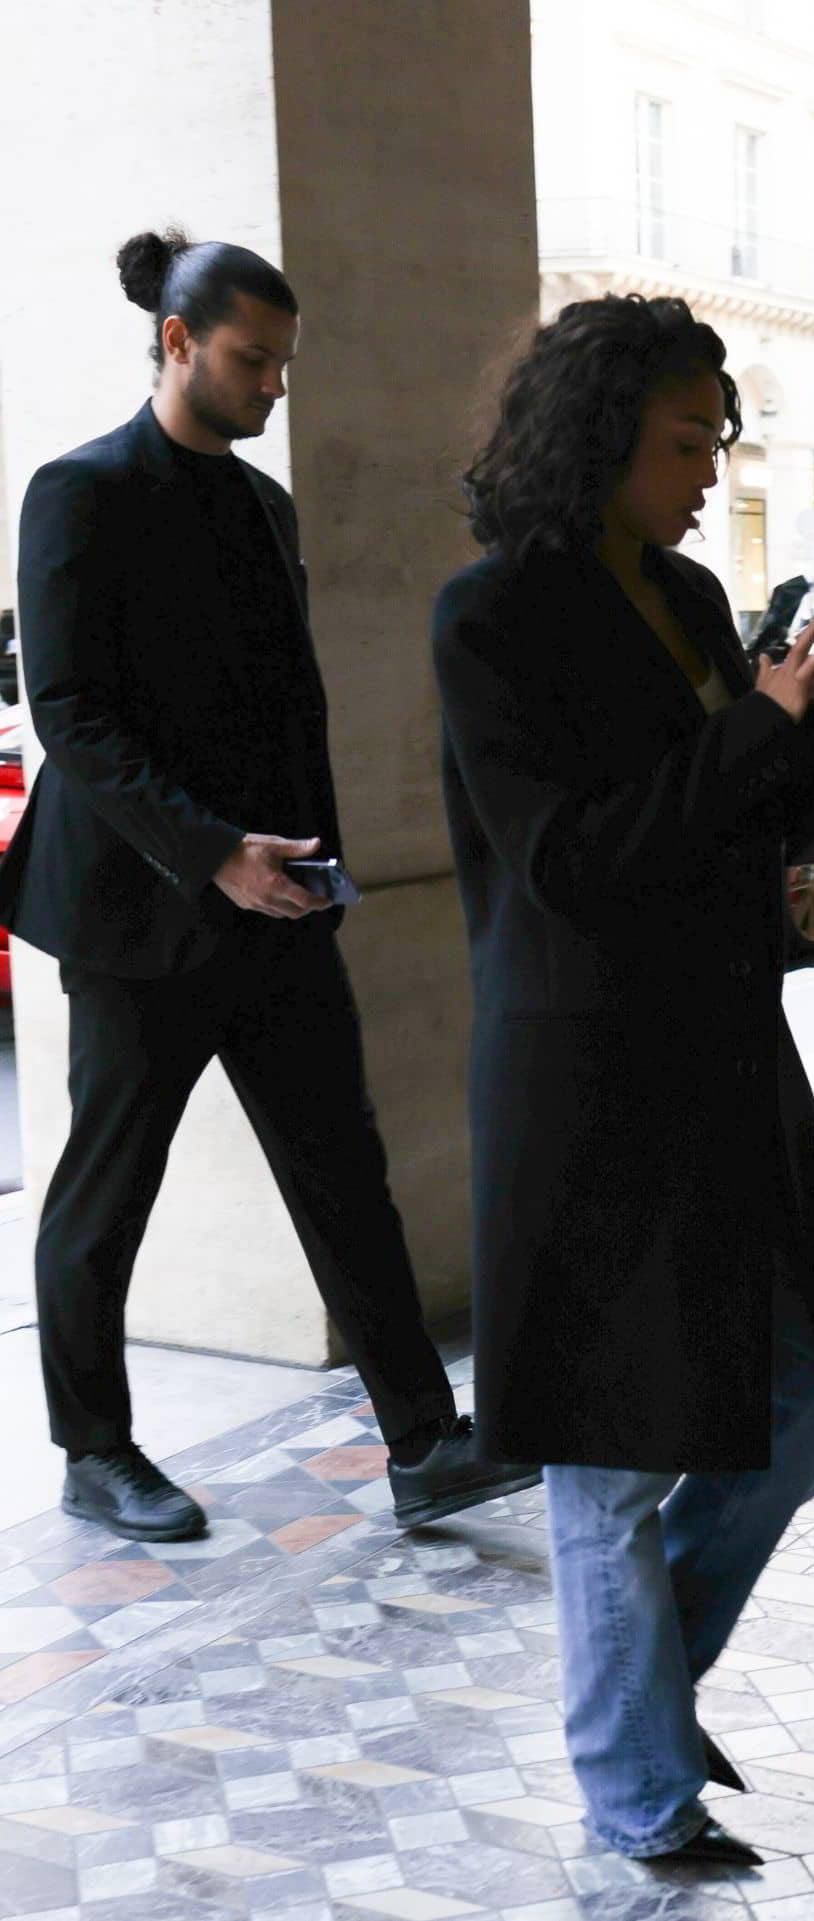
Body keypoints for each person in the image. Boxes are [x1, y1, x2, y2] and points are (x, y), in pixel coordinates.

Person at [432, 293, 814, 1866]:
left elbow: (733, 818)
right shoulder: (490, 618)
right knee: (611, 1459)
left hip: (718, 1055)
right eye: (687, 439)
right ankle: (636, 1791)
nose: (709, 469)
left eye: (719, 440)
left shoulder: (692, 596)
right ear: (600, 433)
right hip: (586, 1081)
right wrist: (755, 729)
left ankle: (644, 1700)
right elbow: (573, 861)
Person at [0, 229, 539, 1545]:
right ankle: (95, 1450)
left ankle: (423, 1442)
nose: (273, 387)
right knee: (106, 1191)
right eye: (254, 360)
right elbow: (72, 719)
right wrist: (212, 855)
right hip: (141, 916)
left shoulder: (263, 507)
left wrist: (314, 864)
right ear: (179, 343)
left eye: (285, 364)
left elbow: (288, 717)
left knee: (345, 1171)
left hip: (281, 903)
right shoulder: (76, 492)